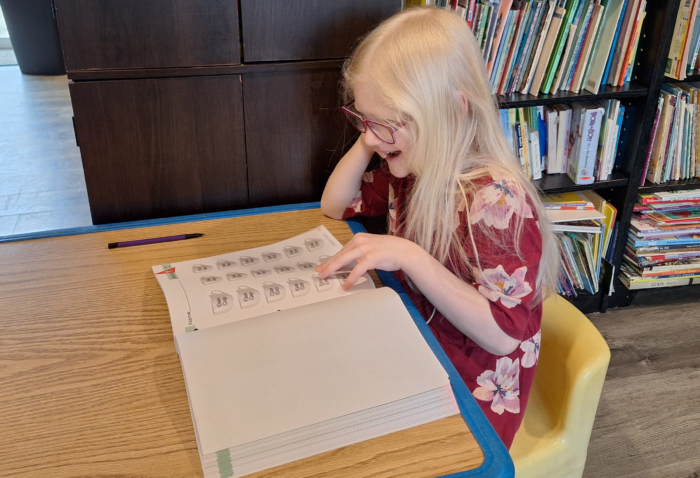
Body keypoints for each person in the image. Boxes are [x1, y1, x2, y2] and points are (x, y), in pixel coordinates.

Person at [316, 6, 561, 448]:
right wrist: (372, 133)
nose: (373, 138)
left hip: (476, 390)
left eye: (391, 123)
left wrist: (408, 254)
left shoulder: (495, 200)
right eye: (366, 120)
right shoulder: (412, 166)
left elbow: (504, 335)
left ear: (452, 111)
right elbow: (334, 205)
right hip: (420, 340)